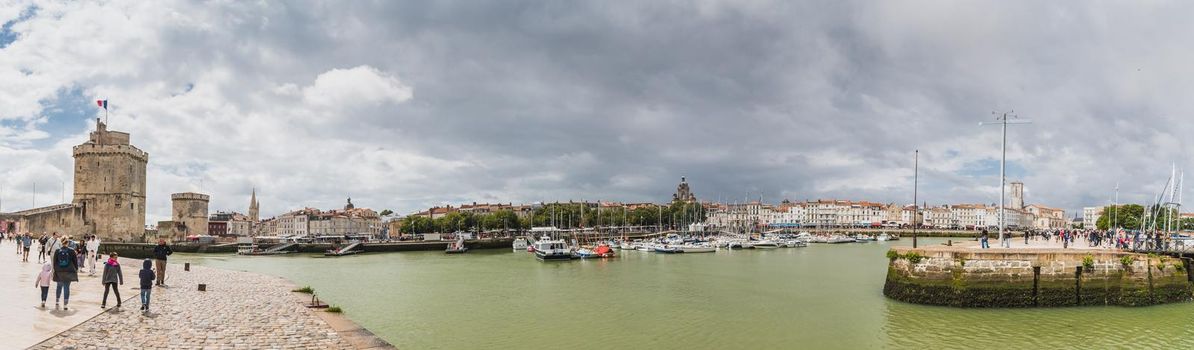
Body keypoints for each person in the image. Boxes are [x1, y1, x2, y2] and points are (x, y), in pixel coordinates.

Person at [52, 241, 80, 310]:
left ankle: (57, 301)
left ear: (61, 242)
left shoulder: (57, 251)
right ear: (67, 243)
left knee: (59, 286)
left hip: (59, 271)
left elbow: (54, 262)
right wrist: (76, 270)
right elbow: (75, 262)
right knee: (66, 287)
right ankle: (65, 305)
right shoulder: (71, 251)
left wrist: (55, 270)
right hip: (69, 271)